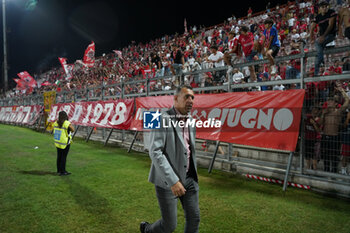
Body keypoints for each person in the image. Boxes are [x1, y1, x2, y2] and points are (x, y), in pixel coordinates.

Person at [140, 85, 200, 233]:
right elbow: (155, 152)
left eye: (192, 97)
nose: (191, 100)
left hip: (189, 178)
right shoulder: (160, 117)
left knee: (194, 218)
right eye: (187, 97)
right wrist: (173, 181)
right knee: (169, 226)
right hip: (167, 181)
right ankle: (147, 230)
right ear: (175, 98)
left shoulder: (191, 120)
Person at [319, 82, 349, 173]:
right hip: (325, 136)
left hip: (334, 137)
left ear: (335, 103)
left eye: (331, 101)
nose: (329, 102)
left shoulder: (338, 111)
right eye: (328, 101)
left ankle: (334, 173)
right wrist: (323, 115)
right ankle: (326, 171)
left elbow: (347, 101)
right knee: (325, 157)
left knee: (334, 157)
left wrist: (342, 90)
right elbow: (320, 124)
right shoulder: (325, 112)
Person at [309, 1, 337, 76]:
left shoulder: (331, 12)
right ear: (320, 8)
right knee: (318, 51)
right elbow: (312, 28)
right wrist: (311, 38)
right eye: (323, 7)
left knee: (317, 44)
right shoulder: (318, 17)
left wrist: (323, 36)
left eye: (326, 6)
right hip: (322, 37)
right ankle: (320, 64)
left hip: (331, 35)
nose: (325, 8)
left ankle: (318, 68)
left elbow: (330, 25)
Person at [53, 111, 74, 176]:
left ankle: (59, 170)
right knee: (63, 157)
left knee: (59, 156)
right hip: (65, 142)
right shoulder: (66, 123)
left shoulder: (56, 123)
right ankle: (63, 171)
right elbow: (73, 129)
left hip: (58, 142)